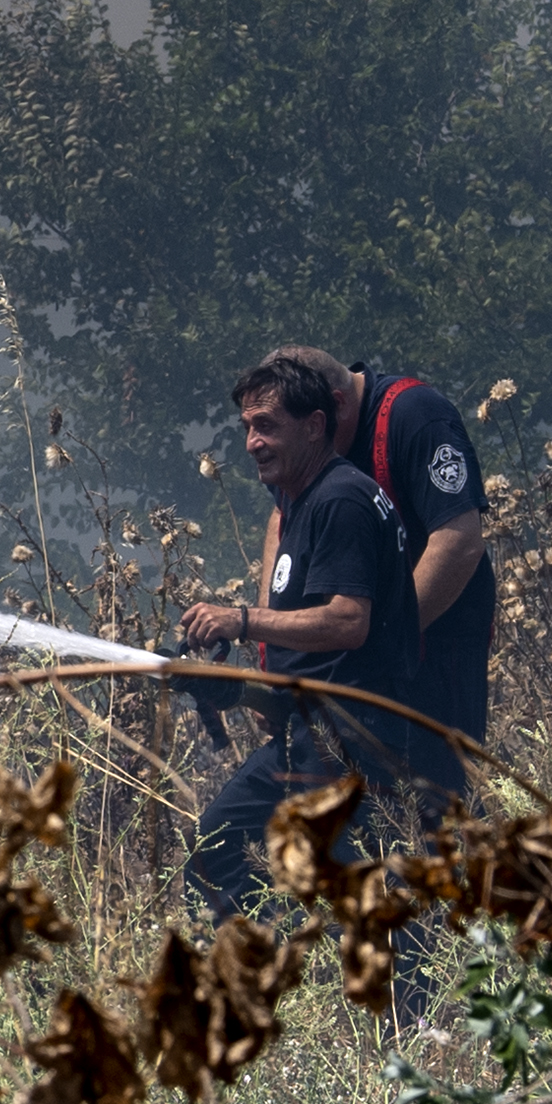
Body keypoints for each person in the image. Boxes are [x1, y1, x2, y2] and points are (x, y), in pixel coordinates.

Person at [178, 350, 424, 917]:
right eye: (246, 428)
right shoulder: (305, 499)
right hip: (310, 733)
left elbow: (348, 621)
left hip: (351, 742)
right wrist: (252, 685)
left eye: (266, 426)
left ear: (315, 425)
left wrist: (241, 620)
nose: (252, 443)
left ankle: (365, 1000)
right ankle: (267, 979)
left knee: (342, 900)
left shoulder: (341, 500)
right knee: (221, 848)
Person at [251, 344, 492, 800]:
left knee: (435, 801)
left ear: (333, 408)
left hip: (435, 646)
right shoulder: (302, 448)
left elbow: (460, 540)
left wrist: (380, 641)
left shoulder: (415, 414)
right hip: (347, 657)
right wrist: (275, 655)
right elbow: (282, 521)